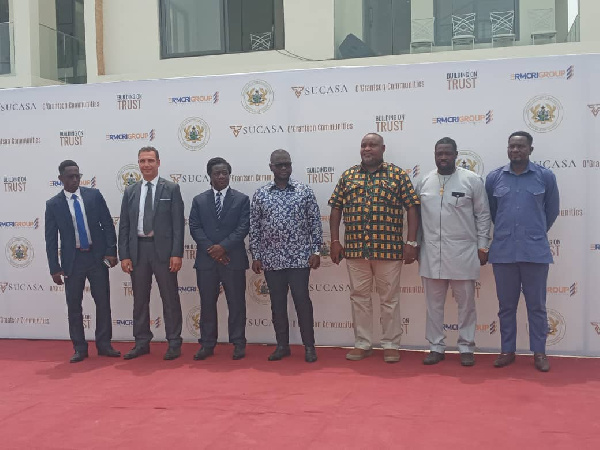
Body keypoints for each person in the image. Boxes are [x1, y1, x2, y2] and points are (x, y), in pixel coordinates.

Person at [329, 133, 419, 363]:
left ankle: (390, 344)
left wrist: (410, 242)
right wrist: (336, 241)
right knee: (359, 297)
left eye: (372, 145)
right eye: (363, 145)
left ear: (383, 149)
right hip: (356, 250)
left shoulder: (397, 175)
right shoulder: (348, 175)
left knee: (389, 299)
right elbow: (336, 208)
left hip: (388, 250)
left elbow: (411, 207)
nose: (367, 149)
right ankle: (363, 343)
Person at [485, 131, 560, 372]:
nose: (515, 150)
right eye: (512, 146)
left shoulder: (544, 177)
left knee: (536, 306)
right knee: (506, 306)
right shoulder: (495, 178)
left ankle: (539, 352)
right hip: (504, 252)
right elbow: (493, 212)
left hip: (534, 252)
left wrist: (534, 232)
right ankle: (507, 350)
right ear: (507, 149)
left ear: (530, 149)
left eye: (521, 146)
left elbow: (552, 211)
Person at [416, 137, 491, 367]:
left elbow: (483, 214)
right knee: (433, 305)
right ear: (434, 154)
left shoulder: (471, 180)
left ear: (456, 154)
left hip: (463, 253)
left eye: (448, 153)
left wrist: (483, 245)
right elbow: (416, 219)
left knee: (466, 304)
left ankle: (466, 346)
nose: (443, 157)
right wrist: (414, 245)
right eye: (439, 153)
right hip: (431, 254)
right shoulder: (424, 181)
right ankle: (436, 346)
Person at [249, 149, 322, 363]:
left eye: (287, 164)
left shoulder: (304, 191)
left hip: (300, 258)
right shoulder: (261, 193)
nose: (283, 168)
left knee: (302, 301)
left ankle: (309, 346)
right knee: (277, 304)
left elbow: (315, 223)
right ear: (270, 167)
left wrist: (316, 250)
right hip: (272, 260)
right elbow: (255, 227)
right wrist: (256, 255)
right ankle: (282, 346)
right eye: (279, 165)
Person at [45, 160, 121, 363]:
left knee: (103, 302)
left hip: (97, 258)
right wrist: (54, 267)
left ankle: (104, 345)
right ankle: (79, 348)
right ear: (60, 179)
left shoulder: (93, 196)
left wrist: (111, 251)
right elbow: (51, 239)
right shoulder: (53, 204)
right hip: (73, 261)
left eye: (78, 175)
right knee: (74, 306)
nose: (75, 179)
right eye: (70, 176)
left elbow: (107, 223)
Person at [118, 146, 185, 360]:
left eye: (150, 161)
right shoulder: (130, 191)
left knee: (170, 299)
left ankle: (174, 342)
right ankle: (141, 342)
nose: (146, 165)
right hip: (138, 251)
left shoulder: (171, 189)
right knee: (140, 300)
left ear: (158, 162)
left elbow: (178, 225)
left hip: (163, 252)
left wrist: (177, 253)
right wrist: (124, 255)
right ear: (138, 164)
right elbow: (125, 226)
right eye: (142, 161)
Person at [189, 157, 250, 361]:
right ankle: (207, 344)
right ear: (210, 176)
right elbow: (195, 227)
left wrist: (223, 247)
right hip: (207, 262)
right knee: (207, 304)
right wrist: (212, 249)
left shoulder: (241, 199)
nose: (222, 176)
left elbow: (243, 227)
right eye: (217, 173)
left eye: (225, 173)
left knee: (236, 303)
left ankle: (238, 342)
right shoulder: (199, 200)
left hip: (233, 259)